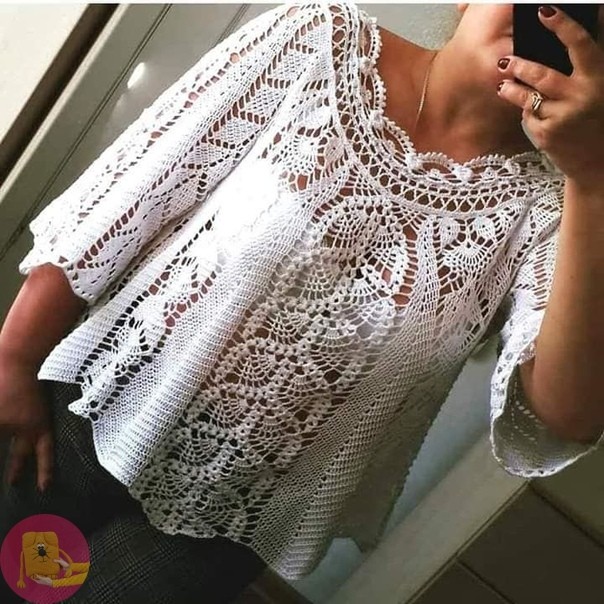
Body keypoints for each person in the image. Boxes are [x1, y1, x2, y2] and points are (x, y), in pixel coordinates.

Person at [1, 2, 603, 602]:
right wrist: (14, 356)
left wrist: (592, 179)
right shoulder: (318, 41)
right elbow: (126, 196)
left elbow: (560, 420)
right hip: (94, 409)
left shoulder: (556, 215)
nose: (558, 20)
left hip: (227, 523)